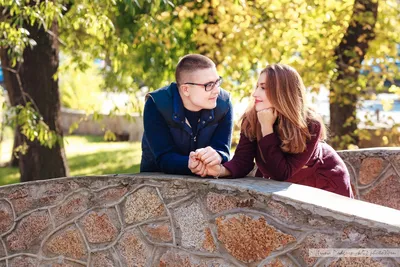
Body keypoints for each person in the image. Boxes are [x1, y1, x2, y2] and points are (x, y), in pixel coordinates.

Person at [189, 63, 354, 198]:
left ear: (281, 92)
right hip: (282, 187)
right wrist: (219, 170)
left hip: (323, 181)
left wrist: (267, 128)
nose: (255, 93)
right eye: (257, 86)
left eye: (263, 87)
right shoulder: (252, 118)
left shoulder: (310, 124)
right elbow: (242, 162)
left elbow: (282, 173)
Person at [140, 54, 233, 175]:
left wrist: (218, 155)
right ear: (186, 89)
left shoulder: (224, 103)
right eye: (209, 85)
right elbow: (164, 157)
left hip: (209, 181)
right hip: (155, 181)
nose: (217, 90)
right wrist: (189, 164)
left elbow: (223, 149)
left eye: (217, 82)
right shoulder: (156, 104)